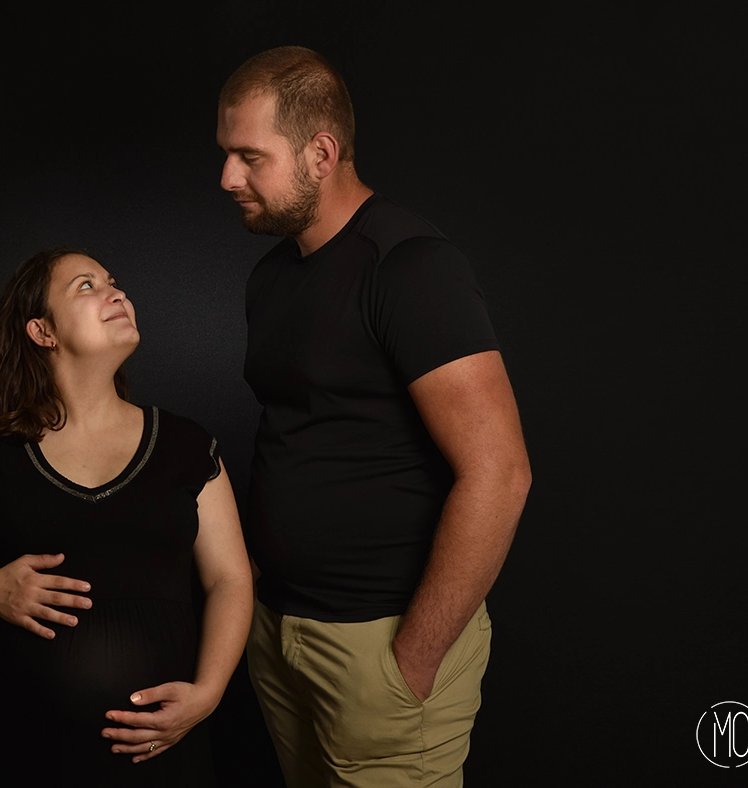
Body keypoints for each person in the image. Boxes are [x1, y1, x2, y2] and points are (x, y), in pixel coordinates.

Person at [216, 47, 532, 787]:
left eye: (250, 157)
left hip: (380, 644)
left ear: (321, 153)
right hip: (278, 631)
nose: (227, 178)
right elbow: (300, 433)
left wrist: (413, 658)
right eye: (226, 154)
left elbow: (500, 473)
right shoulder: (271, 278)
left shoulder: (410, 267)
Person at [0, 247, 252, 786]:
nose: (117, 293)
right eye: (87, 286)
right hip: (23, 749)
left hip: (162, 756)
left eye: (113, 281)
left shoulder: (187, 445)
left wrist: (207, 695)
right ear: (42, 331)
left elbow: (231, 579)